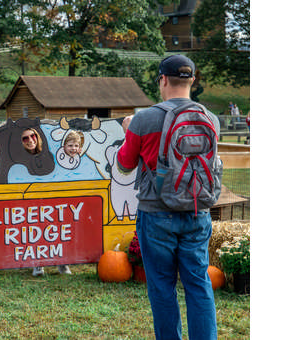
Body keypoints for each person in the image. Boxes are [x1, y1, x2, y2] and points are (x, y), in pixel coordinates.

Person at [116, 55, 218, 339]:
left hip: (156, 214)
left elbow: (124, 165)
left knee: (162, 286)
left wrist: (129, 132)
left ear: (162, 79)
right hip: (198, 211)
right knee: (198, 284)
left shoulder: (145, 119)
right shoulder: (211, 119)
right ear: (192, 81)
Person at [21, 128, 72, 276]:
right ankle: (38, 263)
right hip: (30, 195)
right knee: (34, 229)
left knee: (56, 228)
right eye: (25, 138)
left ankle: (61, 262)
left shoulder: (49, 153)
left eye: (33, 136)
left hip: (50, 192)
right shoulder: (19, 158)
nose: (30, 140)